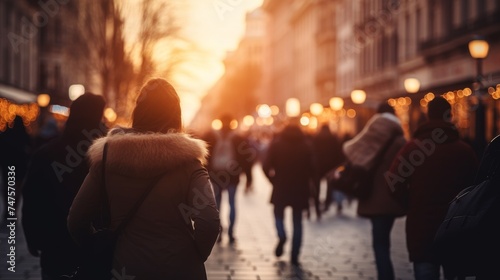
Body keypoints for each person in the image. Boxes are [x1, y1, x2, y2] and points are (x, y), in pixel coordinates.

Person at [67, 78, 220, 279]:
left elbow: (77, 219)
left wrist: (99, 246)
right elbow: (208, 221)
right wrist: (194, 254)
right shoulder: (189, 162)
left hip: (125, 267)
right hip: (180, 269)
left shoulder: (108, 158)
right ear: (176, 114)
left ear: (138, 111)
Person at [387, 96, 479, 280]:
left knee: (425, 272)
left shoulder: (413, 148)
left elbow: (393, 180)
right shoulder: (464, 150)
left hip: (422, 226)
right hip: (455, 227)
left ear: (428, 116)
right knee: (454, 272)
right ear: (449, 116)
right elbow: (475, 187)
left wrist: (409, 203)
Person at [21, 92, 106, 279]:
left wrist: (33, 237)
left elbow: (32, 199)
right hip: (93, 248)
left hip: (54, 246)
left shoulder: (46, 153)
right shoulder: (105, 157)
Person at [341, 102, 408, 280]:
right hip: (392, 197)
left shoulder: (370, 136)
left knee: (379, 244)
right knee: (385, 241)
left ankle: (385, 276)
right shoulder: (401, 141)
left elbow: (350, 150)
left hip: (371, 195)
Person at [262, 121, 314, 266]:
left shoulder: (276, 144)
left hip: (281, 186)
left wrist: (273, 180)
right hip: (300, 188)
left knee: (278, 215)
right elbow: (313, 169)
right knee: (297, 222)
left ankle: (282, 235)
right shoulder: (306, 146)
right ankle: (295, 255)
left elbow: (266, 166)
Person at [203, 114, 255, 244]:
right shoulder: (238, 138)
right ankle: (231, 233)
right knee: (232, 203)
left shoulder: (211, 137)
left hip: (216, 175)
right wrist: (249, 178)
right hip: (232, 176)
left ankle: (219, 232)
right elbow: (247, 159)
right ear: (232, 123)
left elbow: (204, 157)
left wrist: (205, 173)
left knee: (217, 204)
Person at [0, 115, 32, 221]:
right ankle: (12, 210)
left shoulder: (7, 133)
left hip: (8, 164)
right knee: (16, 190)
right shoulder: (24, 134)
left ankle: (8, 211)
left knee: (8, 188)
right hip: (20, 166)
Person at [310, 124, 344, 216]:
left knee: (317, 188)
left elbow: (312, 152)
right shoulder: (333, 139)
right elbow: (338, 153)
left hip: (318, 167)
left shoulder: (316, 138)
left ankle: (317, 207)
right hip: (330, 167)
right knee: (330, 186)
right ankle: (327, 203)